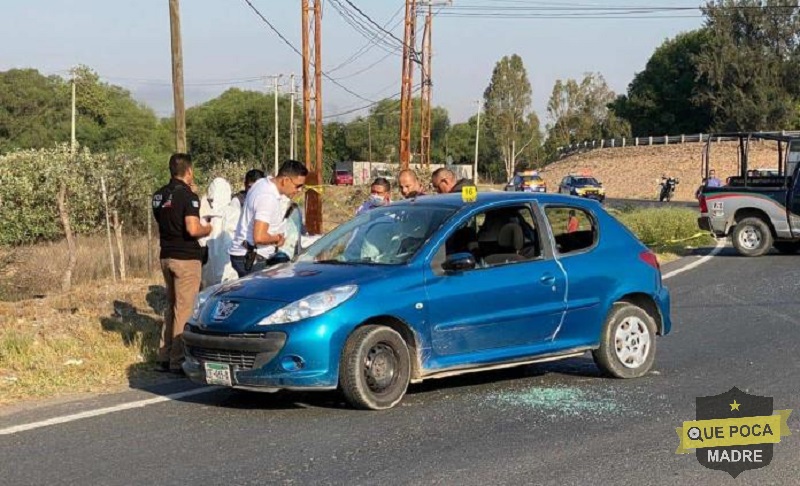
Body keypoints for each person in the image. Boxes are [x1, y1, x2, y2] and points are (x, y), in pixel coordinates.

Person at [151, 153, 212, 374]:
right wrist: (208, 227)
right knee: (184, 309)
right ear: (189, 171)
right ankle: (178, 360)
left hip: (166, 256)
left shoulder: (158, 195)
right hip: (186, 258)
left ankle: (164, 355)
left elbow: (166, 221)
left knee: (171, 306)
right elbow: (193, 229)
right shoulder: (188, 196)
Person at [229, 160, 308, 277]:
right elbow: (259, 237)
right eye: (298, 186)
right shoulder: (267, 197)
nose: (299, 190)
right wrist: (277, 239)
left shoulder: (263, 183)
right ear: (285, 180)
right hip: (252, 259)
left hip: (246, 255)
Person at [199, 177, 239, 288]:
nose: (212, 202)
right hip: (214, 266)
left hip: (226, 266)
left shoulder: (232, 213)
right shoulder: (206, 215)